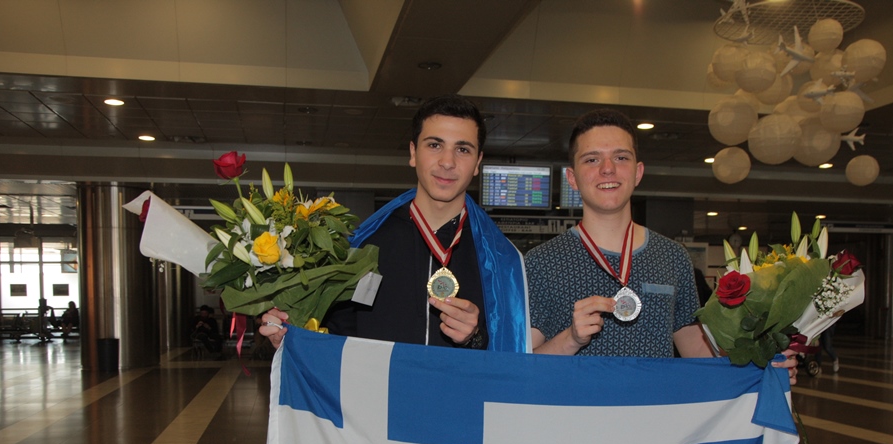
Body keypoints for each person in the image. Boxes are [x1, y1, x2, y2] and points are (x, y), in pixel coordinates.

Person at [524, 109, 795, 378]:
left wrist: (762, 366)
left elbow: (700, 355)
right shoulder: (540, 262)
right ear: (572, 178)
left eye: (621, 157)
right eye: (592, 159)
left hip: (656, 405)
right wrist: (571, 339)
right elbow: (521, 368)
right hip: (576, 404)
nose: (607, 169)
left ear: (638, 172)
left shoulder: (672, 257)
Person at [260, 94, 528, 352]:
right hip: (378, 386)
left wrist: (475, 337)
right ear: (413, 152)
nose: (448, 162)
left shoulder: (500, 262)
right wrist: (289, 334)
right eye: (434, 145)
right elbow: (332, 336)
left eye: (463, 149)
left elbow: (511, 358)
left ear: (478, 162)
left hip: (458, 386)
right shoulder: (365, 245)